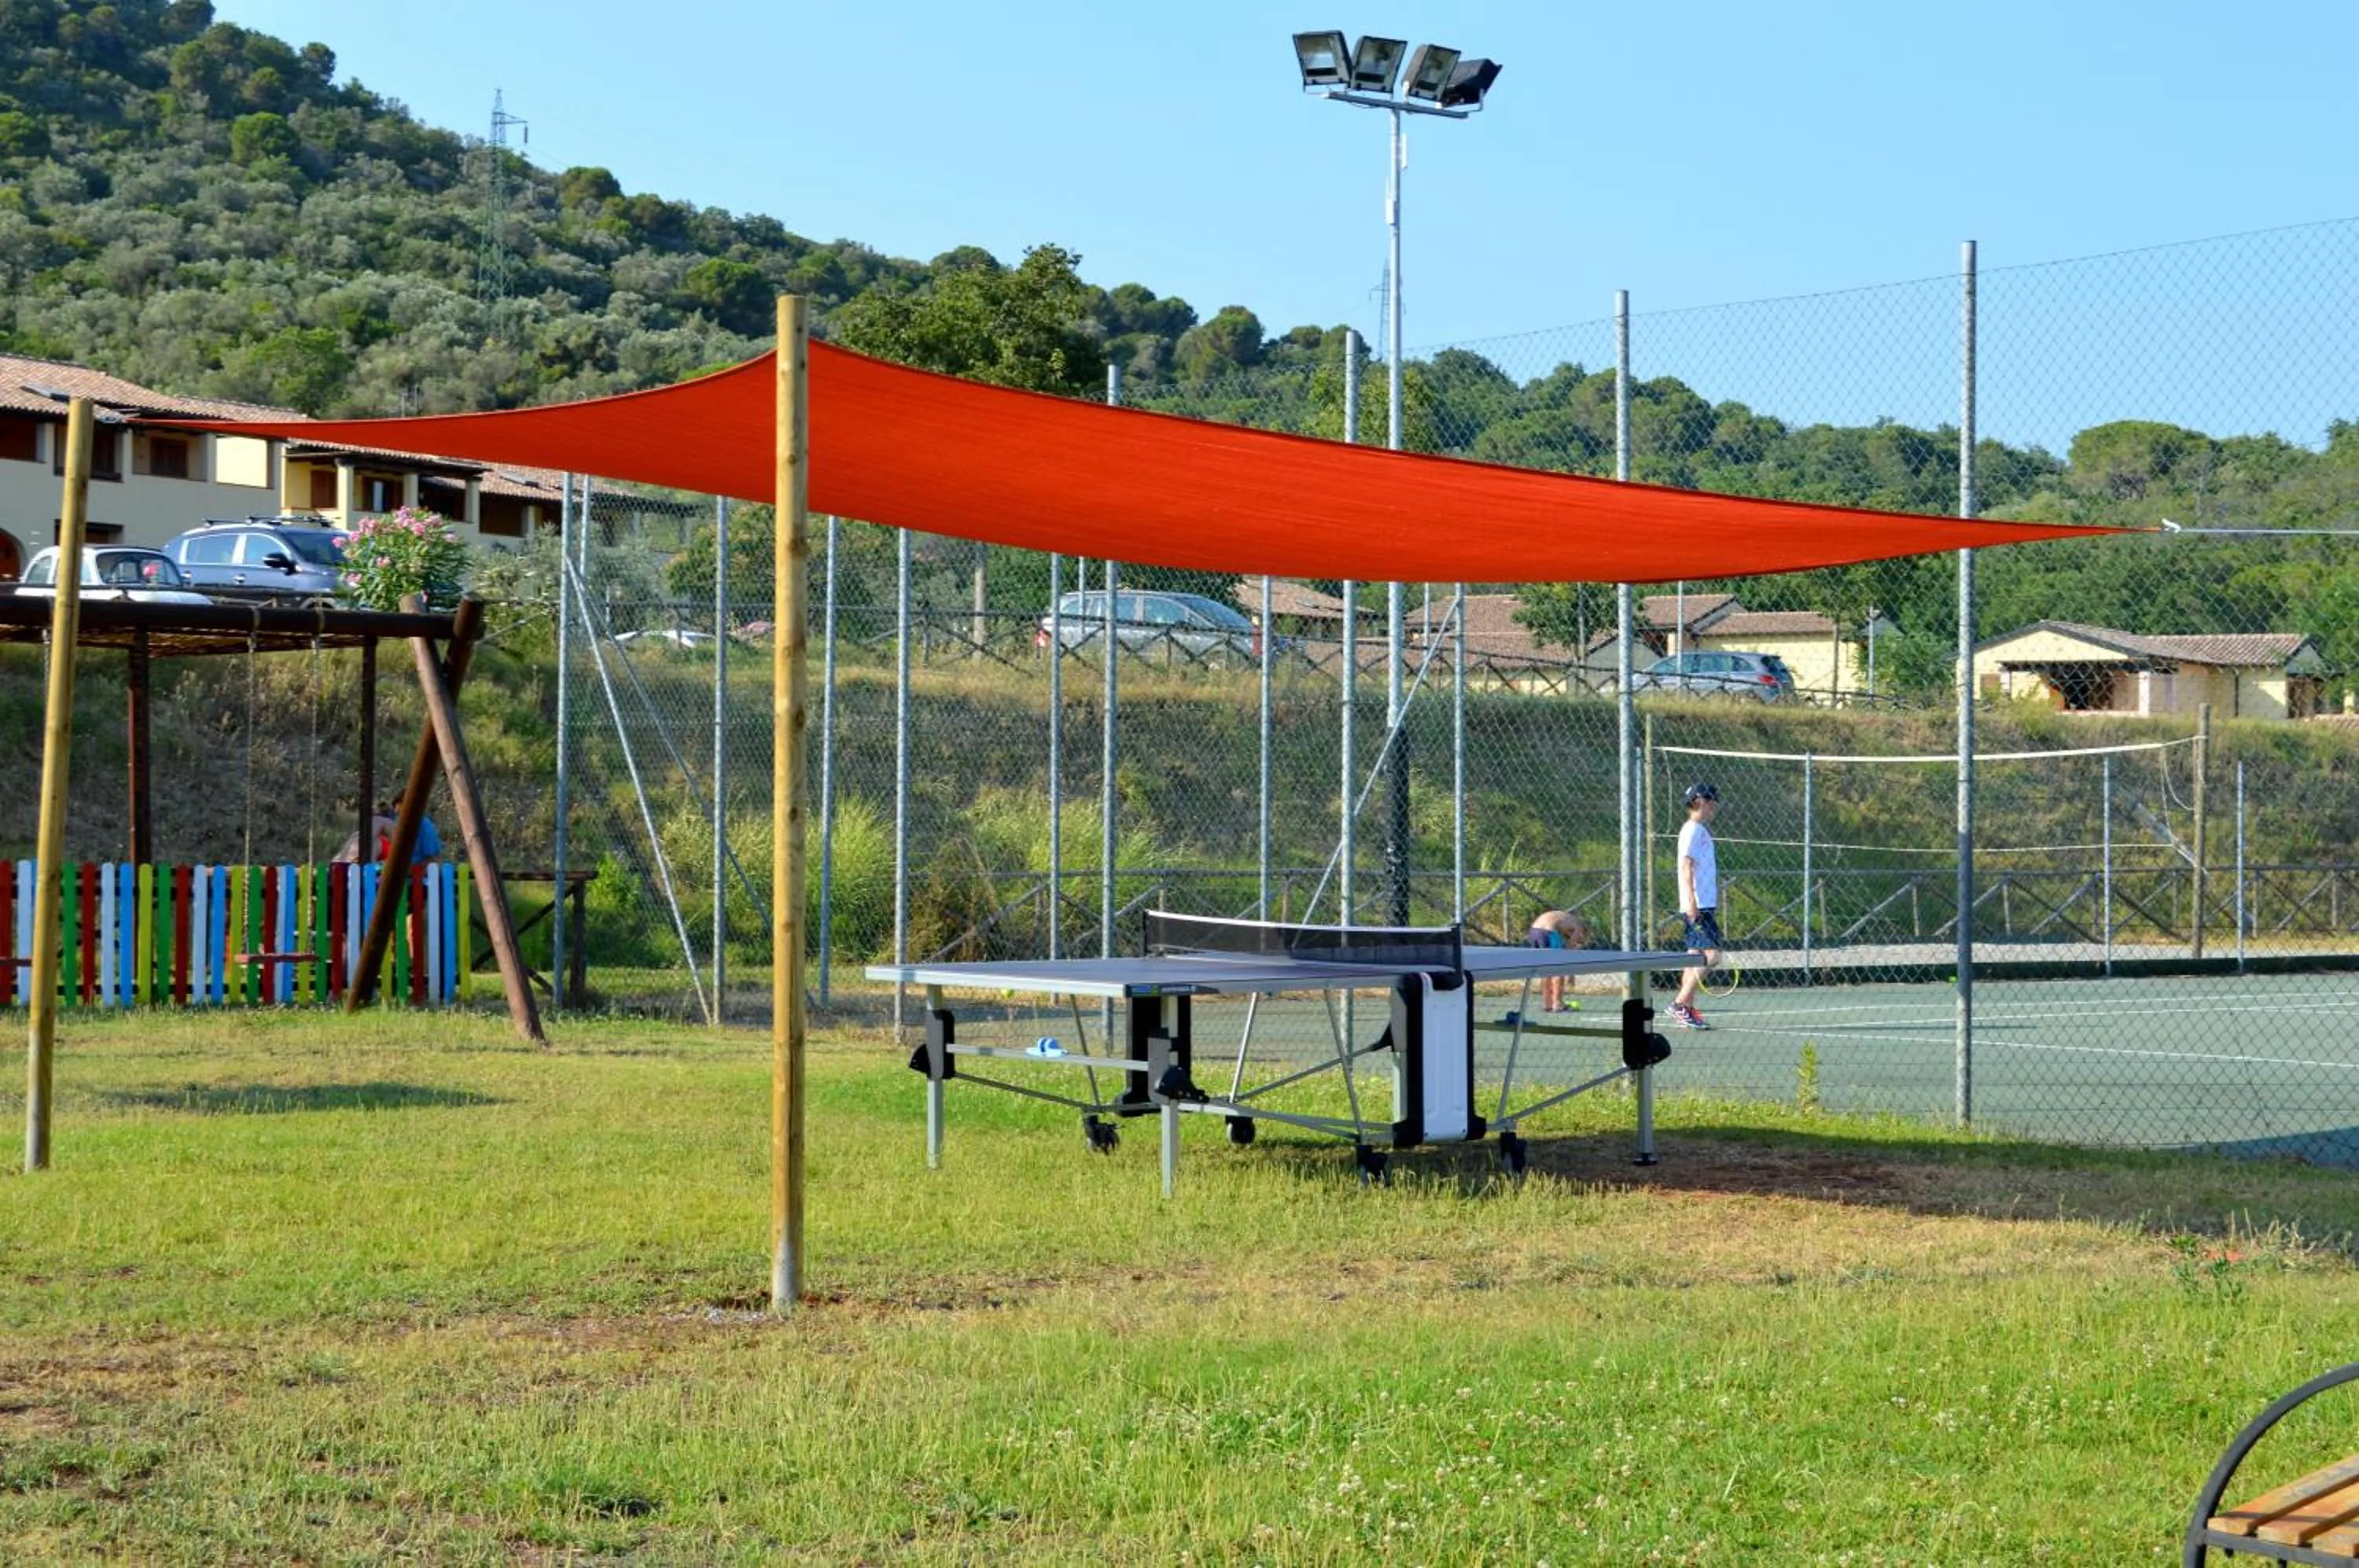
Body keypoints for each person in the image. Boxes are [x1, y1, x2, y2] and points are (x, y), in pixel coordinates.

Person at [1669, 781, 1722, 1029]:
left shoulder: (1699, 830)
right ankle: (1679, 1004)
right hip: (1698, 906)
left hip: (1704, 904)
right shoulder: (1692, 830)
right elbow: (1685, 866)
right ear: (1700, 801)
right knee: (1712, 956)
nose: (1716, 806)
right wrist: (1691, 901)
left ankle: (1686, 1009)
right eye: (1712, 801)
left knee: (1693, 957)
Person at [1524, 908, 1592, 1013]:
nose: (1580, 941)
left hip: (1533, 932)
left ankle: (1547, 1004)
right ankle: (1558, 1003)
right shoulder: (1578, 924)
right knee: (1558, 970)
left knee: (1546, 970)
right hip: (1548, 932)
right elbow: (1570, 950)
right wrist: (1571, 974)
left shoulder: (1562, 919)